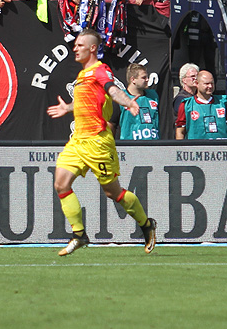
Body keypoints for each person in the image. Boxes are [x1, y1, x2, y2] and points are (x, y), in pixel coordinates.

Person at [45, 29, 157, 256]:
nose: (75, 48)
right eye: (75, 45)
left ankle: (146, 225)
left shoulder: (100, 70)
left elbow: (113, 90)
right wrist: (68, 107)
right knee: (61, 184)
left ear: (93, 48)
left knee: (113, 193)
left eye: (80, 45)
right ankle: (79, 235)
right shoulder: (82, 75)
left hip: (98, 142)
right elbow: (87, 102)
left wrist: (128, 103)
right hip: (78, 141)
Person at [175, 70, 227, 140]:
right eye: (206, 83)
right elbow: (180, 131)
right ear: (197, 83)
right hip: (196, 146)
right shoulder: (187, 104)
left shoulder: (222, 102)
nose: (210, 86)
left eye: (212, 83)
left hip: (220, 146)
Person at [117, 63, 159, 140]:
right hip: (130, 145)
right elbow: (111, 124)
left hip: (153, 144)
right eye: (143, 77)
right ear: (133, 79)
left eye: (147, 77)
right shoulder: (121, 98)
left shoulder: (153, 96)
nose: (147, 79)